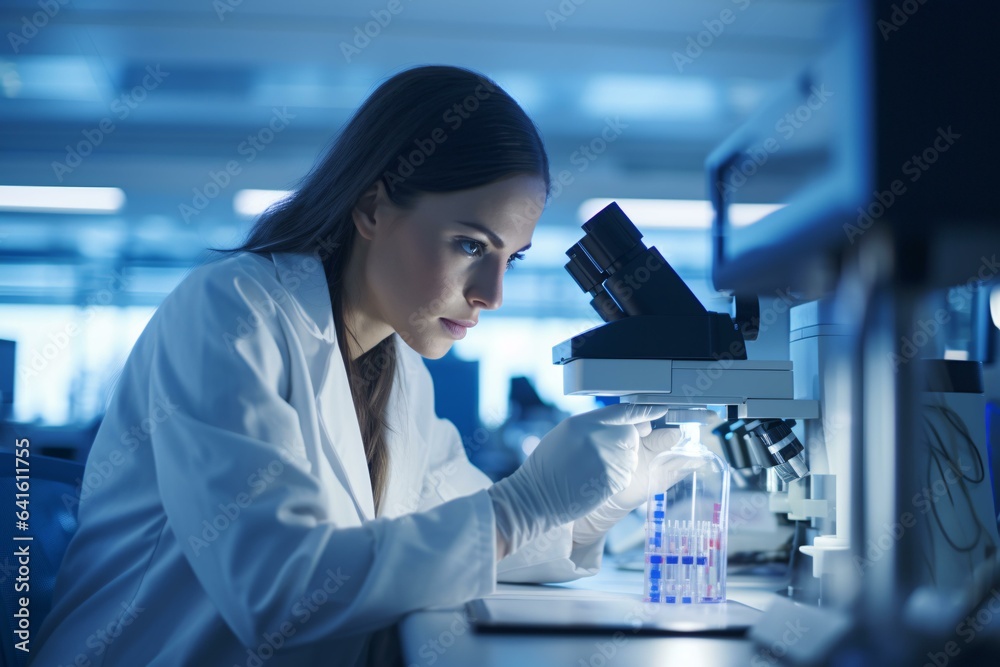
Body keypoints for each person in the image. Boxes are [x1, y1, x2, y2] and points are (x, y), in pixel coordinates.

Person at [33, 65, 673, 667]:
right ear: (371, 208)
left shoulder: (400, 377)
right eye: (470, 245)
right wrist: (525, 502)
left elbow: (466, 530)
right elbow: (277, 590)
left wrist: (593, 507)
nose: (492, 294)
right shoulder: (231, 311)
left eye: (513, 258)